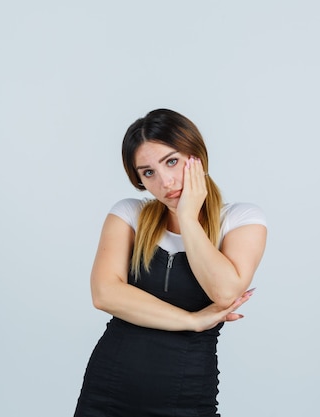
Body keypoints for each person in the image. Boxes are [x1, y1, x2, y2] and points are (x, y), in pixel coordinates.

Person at [73, 109, 267, 417]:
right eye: (148, 172)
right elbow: (105, 294)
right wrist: (192, 321)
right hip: (107, 391)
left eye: (172, 161)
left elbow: (224, 292)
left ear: (197, 156)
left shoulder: (241, 220)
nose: (165, 181)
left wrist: (188, 218)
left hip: (186, 395)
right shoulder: (128, 215)